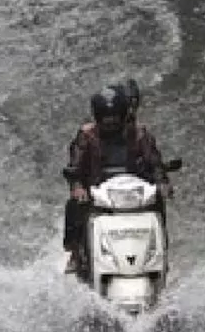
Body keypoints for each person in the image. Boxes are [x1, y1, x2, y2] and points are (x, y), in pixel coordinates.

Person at [62, 80, 173, 273]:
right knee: (74, 206)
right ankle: (75, 252)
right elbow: (75, 166)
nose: (110, 122)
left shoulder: (140, 134)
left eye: (114, 117)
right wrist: (78, 187)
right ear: (98, 117)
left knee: (158, 204)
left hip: (134, 192)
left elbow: (154, 162)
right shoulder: (86, 136)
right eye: (106, 118)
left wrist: (162, 183)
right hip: (97, 191)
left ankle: (160, 250)